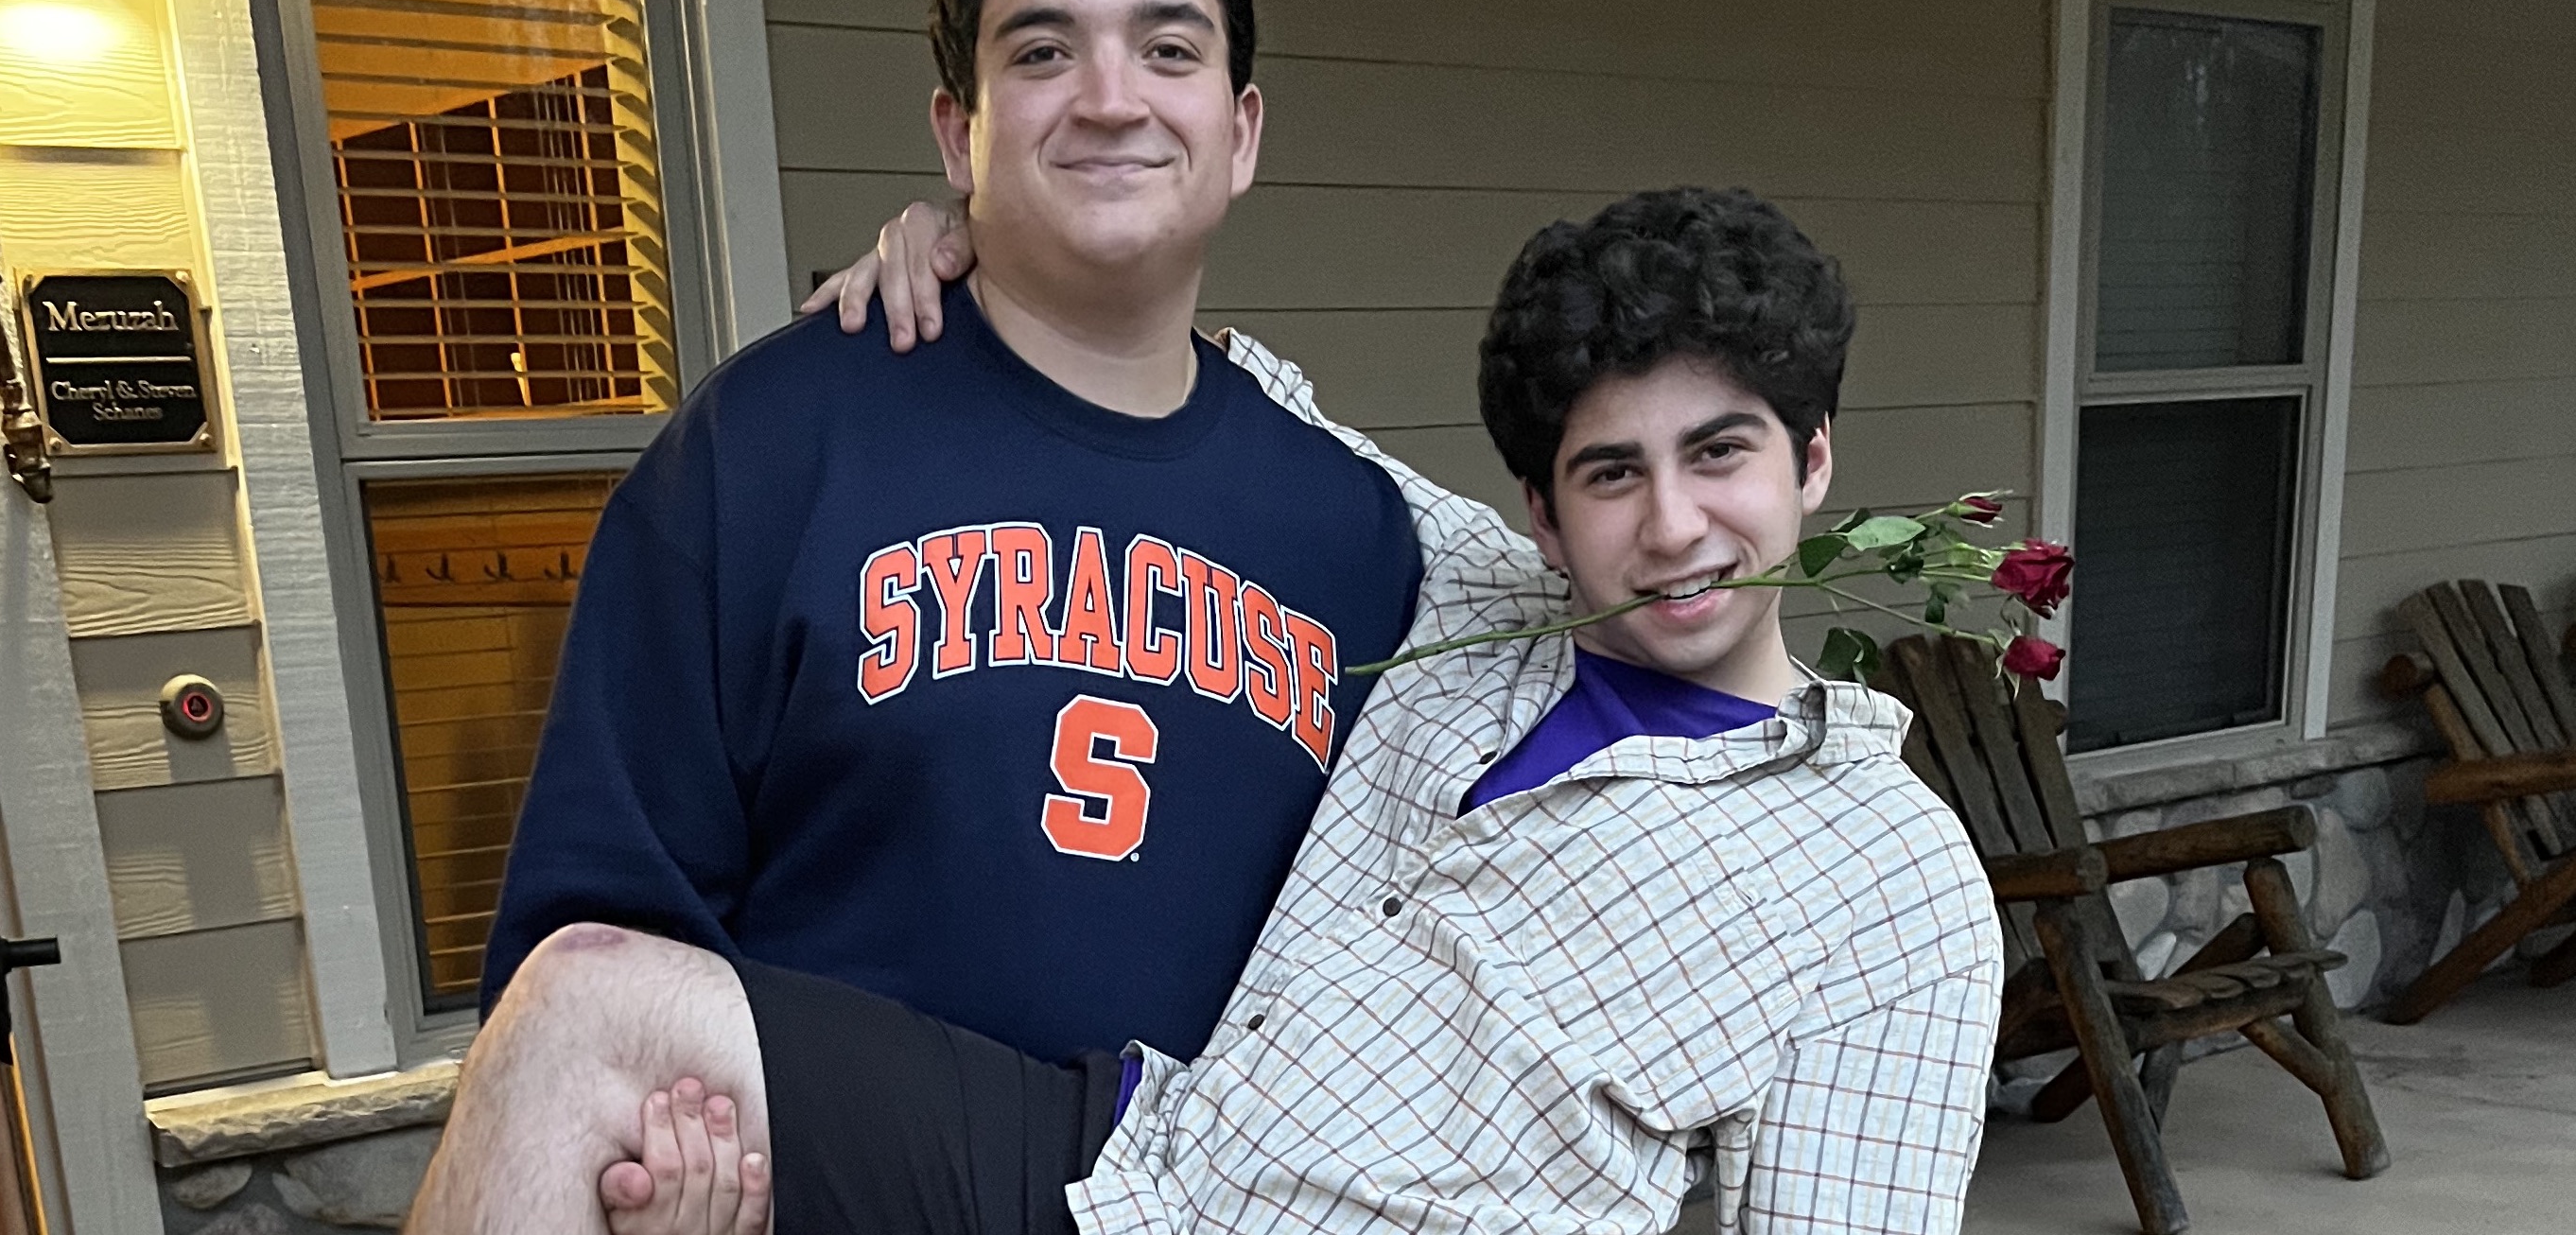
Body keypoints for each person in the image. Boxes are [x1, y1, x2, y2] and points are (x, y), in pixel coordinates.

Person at [418, 186, 2002, 1235]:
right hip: (1127, 1162)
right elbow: (1213, 374)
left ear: (1811, 461)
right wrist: (970, 239)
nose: (1668, 528)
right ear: (1538, 508)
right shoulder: (1453, 591)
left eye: (1718, 454)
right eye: (1611, 472)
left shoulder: (1890, 884)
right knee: (580, 1019)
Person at [417, 0, 1423, 1235]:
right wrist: (673, 1157)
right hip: (831, 1179)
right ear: (961, 133)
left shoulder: (1364, 532)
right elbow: (598, 932)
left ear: (1241, 129)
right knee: (582, 1014)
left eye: (1167, 50)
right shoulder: (777, 440)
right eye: (1043, 53)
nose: (1111, 99)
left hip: (1205, 1186)